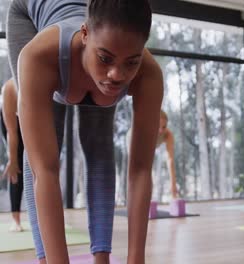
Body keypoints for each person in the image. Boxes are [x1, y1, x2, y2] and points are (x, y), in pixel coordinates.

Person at [6, 0, 163, 263]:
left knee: (100, 148)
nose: (116, 74)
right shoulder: (39, 56)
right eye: (105, 59)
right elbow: (44, 171)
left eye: (131, 62)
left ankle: (102, 258)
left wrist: (136, 259)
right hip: (29, 16)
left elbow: (140, 170)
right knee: (43, 153)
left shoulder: (148, 74)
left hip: (85, 45)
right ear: (86, 34)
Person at [0, 78, 24, 232]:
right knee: (17, 166)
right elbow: (11, 132)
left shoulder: (44, 82)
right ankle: (16, 220)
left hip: (32, 118)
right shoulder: (10, 89)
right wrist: (12, 159)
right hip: (12, 123)